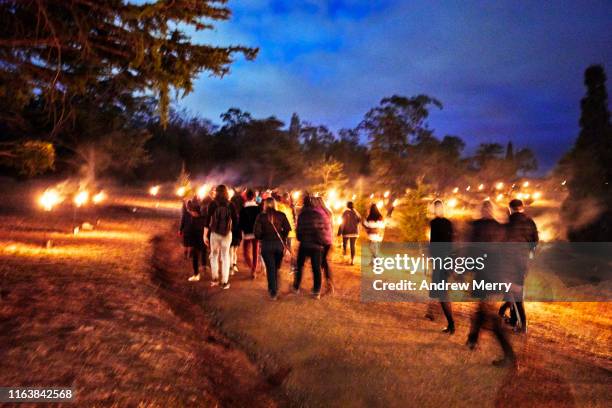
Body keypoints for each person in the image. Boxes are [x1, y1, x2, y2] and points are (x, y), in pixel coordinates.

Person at [467, 200, 517, 367]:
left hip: (488, 275)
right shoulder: (499, 227)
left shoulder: (478, 227)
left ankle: (509, 356)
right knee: (482, 308)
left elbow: (472, 252)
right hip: (493, 274)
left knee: (491, 314)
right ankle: (472, 338)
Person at [498, 199, 539, 332]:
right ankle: (514, 319)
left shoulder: (509, 222)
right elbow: (535, 242)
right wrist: (529, 257)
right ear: (522, 208)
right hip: (523, 263)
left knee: (515, 294)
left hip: (509, 263)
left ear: (510, 208)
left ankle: (523, 325)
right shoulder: (530, 222)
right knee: (514, 292)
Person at [425, 200, 455, 334]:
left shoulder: (435, 223)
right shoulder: (448, 223)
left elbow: (433, 242)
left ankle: (451, 324)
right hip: (445, 259)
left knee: (441, 292)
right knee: (437, 288)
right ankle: (431, 312)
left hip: (441, 260)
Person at [253, 197, 291, 300]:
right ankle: (275, 286)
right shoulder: (281, 215)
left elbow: (257, 233)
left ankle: (273, 291)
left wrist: (262, 237)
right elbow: (288, 228)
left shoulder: (261, 217)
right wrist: (282, 236)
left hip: (266, 245)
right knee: (276, 267)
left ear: (265, 205)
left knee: (270, 268)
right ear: (275, 204)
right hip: (279, 245)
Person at [294, 195, 329, 299]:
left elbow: (298, 231)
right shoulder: (318, 215)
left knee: (300, 266)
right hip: (316, 246)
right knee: (316, 268)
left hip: (304, 244)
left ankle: (296, 286)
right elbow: (322, 230)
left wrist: (301, 238)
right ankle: (316, 291)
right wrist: (321, 242)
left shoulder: (301, 215)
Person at [204, 185, 238, 289]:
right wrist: (232, 232)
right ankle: (224, 282)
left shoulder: (212, 204)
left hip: (214, 233)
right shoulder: (231, 204)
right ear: (226, 192)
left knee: (214, 256)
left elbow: (207, 220)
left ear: (216, 192)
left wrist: (205, 235)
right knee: (225, 257)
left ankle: (215, 279)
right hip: (227, 234)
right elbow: (236, 221)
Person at [239, 189, 262, 279]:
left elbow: (240, 223)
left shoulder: (243, 209)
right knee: (255, 252)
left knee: (245, 253)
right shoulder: (258, 208)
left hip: (247, 233)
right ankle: (253, 270)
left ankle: (252, 268)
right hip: (256, 233)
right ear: (254, 197)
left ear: (246, 197)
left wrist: (241, 232)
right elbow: (261, 221)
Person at [182, 199, 206, 281]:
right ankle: (204, 269)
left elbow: (193, 232)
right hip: (203, 242)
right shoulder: (203, 219)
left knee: (195, 258)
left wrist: (190, 243)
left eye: (192, 211)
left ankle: (196, 275)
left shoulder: (195, 220)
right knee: (202, 255)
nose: (191, 213)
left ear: (195, 212)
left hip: (197, 242)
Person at [229, 187, 245, 275]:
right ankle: (233, 265)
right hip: (236, 227)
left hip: (232, 227)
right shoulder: (241, 200)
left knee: (231, 249)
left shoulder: (231, 201)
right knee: (234, 249)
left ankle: (232, 266)